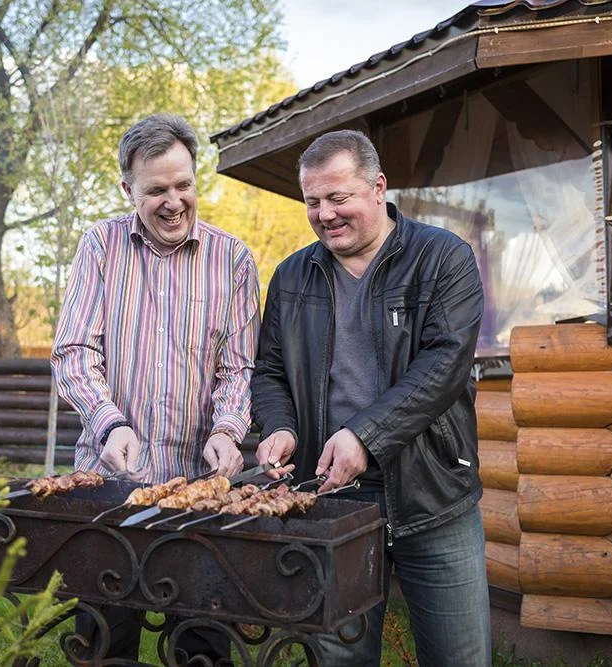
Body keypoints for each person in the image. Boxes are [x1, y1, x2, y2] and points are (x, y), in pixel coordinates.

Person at [252, 130, 490, 666]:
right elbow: (269, 371)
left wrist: (365, 435)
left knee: (459, 658)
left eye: (338, 198)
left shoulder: (443, 257)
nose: (324, 214)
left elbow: (445, 364)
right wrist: (280, 427)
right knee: (338, 658)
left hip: (434, 498)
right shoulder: (292, 276)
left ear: (378, 187)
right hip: (332, 500)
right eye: (313, 202)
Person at [51, 113, 260, 662]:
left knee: (200, 647)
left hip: (199, 493)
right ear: (128, 189)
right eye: (157, 190)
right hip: (110, 488)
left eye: (183, 184)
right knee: (105, 645)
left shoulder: (233, 259)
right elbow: (73, 352)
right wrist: (109, 422)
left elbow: (239, 369)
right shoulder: (99, 246)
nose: (174, 201)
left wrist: (228, 429)